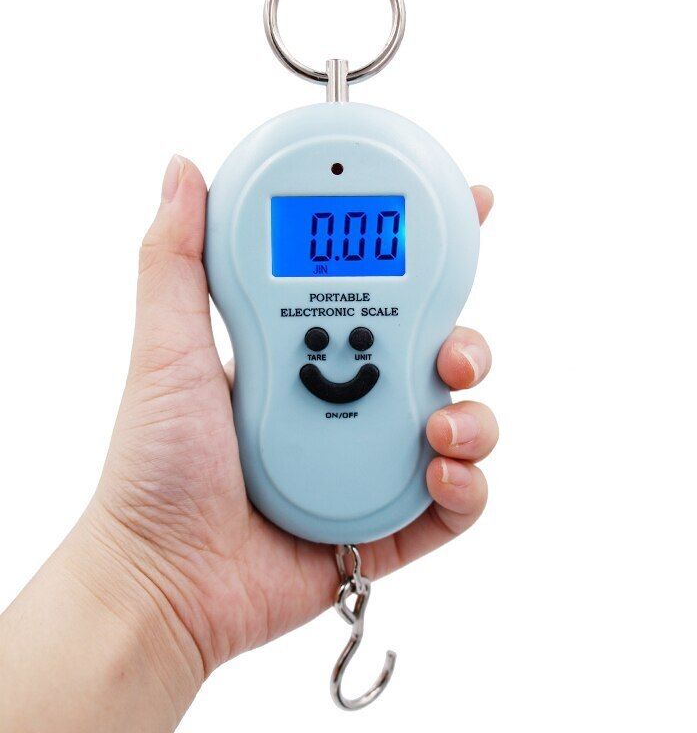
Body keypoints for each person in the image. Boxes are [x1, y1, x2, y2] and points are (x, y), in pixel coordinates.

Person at [0, 156, 499, 732]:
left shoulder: (292, 181)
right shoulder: (412, 182)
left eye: (369, 239)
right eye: (319, 240)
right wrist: (156, 573)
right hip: (287, 493)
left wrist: (161, 600)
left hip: (389, 486)